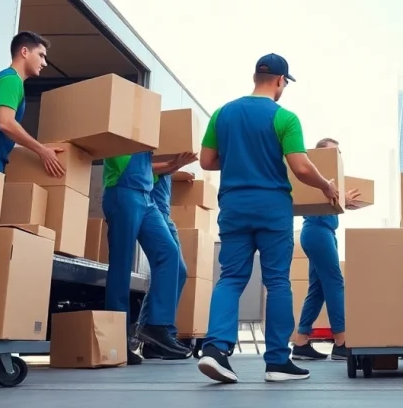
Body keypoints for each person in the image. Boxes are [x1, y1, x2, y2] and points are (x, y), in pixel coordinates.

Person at [196, 53, 339, 384]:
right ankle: (277, 361)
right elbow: (301, 167)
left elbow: (206, 161)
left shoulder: (222, 113)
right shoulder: (285, 118)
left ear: (255, 78)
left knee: (231, 277)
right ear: (280, 81)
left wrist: (238, 159)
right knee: (276, 282)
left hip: (233, 205)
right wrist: (326, 186)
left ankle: (215, 349)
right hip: (271, 207)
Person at [103, 149, 197, 365]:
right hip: (123, 191)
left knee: (169, 254)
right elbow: (125, 164)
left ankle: (156, 326)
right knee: (121, 265)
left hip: (146, 196)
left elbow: (150, 170)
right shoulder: (124, 135)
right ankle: (118, 339)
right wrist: (172, 164)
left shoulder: (149, 141)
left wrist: (175, 164)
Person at [290, 137, 362, 362]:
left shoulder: (330, 180)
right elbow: (321, 202)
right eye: (333, 152)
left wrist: (344, 202)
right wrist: (343, 199)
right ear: (320, 155)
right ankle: (341, 342)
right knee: (335, 283)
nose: (337, 156)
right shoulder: (316, 177)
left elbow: (330, 204)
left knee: (318, 289)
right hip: (318, 232)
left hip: (323, 233)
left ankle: (301, 342)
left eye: (339, 153)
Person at [0, 31, 65, 178]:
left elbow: (4, 133)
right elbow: (6, 123)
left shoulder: (11, 80)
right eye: (41, 55)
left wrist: (41, 149)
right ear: (24, 52)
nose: (44, 63)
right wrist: (41, 151)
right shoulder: (11, 80)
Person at [137, 158, 198, 361]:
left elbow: (161, 171)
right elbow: (139, 168)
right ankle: (156, 327)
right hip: (152, 205)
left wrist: (177, 170)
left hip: (163, 210)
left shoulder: (166, 151)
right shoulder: (151, 148)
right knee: (170, 263)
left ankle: (154, 340)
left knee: (178, 271)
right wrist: (172, 165)